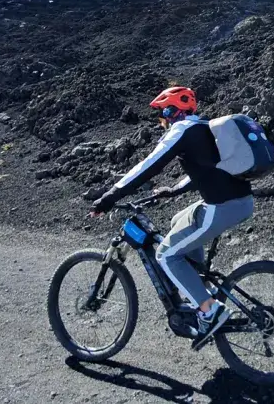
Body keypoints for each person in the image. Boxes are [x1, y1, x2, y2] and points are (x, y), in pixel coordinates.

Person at [89, 86, 254, 350]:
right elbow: (209, 171)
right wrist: (173, 190)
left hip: (223, 207)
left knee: (166, 255)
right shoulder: (203, 127)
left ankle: (210, 311)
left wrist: (109, 197)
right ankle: (202, 289)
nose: (161, 122)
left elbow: (148, 166)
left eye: (162, 115)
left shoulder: (182, 130)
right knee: (179, 219)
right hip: (240, 201)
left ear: (171, 112)